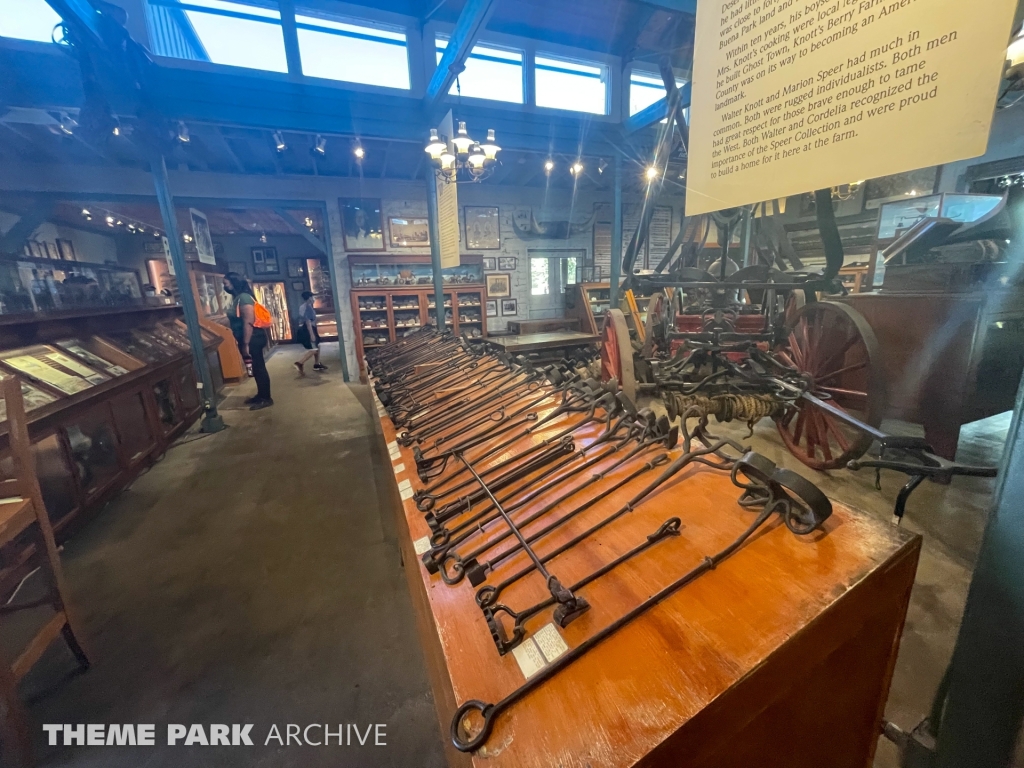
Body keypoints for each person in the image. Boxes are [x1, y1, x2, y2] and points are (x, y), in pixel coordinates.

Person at [223, 272, 272, 410]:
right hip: (251, 337)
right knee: (256, 367)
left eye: (225, 283)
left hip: (252, 338)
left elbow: (248, 322)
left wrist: (245, 344)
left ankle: (266, 398)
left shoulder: (244, 298)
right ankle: (261, 394)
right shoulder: (239, 298)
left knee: (258, 367)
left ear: (234, 283)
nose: (224, 286)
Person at [294, 291, 326, 376]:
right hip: (308, 329)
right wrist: (312, 334)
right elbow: (307, 321)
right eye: (313, 297)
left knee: (317, 346)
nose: (314, 299)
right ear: (309, 298)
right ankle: (300, 363)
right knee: (314, 349)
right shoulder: (307, 307)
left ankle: (317, 364)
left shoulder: (305, 306)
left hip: (310, 328)